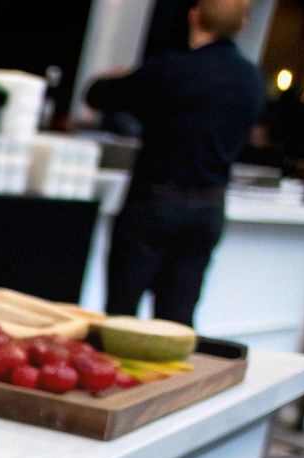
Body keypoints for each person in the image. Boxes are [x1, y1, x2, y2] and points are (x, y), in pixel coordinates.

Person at [86, 0, 265, 325]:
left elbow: (98, 94)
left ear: (193, 16)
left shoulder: (170, 70)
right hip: (208, 211)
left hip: (153, 205)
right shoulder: (252, 80)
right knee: (177, 322)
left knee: (121, 318)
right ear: (241, 27)